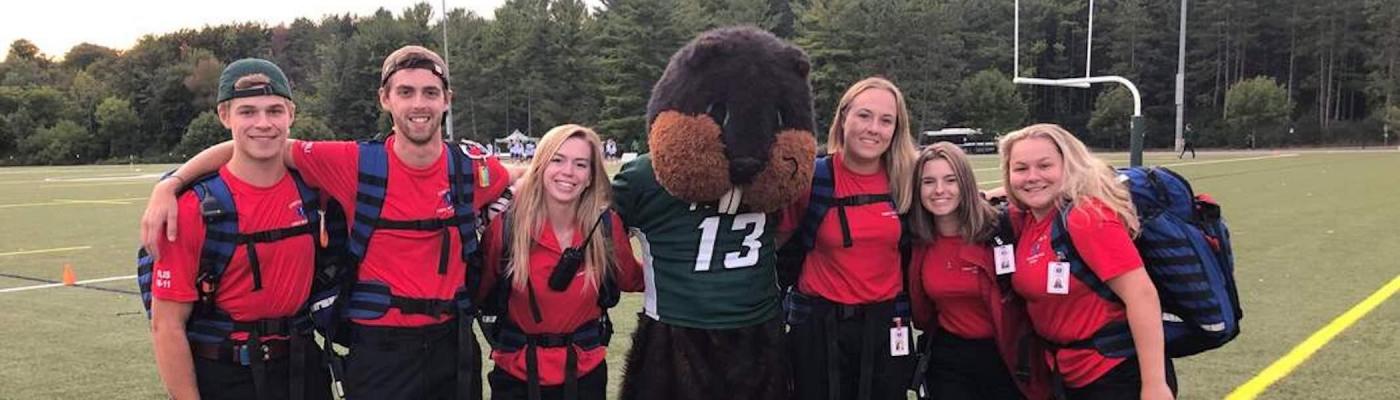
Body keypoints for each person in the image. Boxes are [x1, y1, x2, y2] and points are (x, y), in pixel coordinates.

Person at [142, 46, 513, 400]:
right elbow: (255, 147)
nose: (419, 103)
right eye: (406, 91)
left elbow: (526, 175)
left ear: (447, 99)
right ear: (385, 98)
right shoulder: (348, 163)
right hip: (372, 351)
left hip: (446, 347)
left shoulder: (471, 171)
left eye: (430, 92)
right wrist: (172, 183)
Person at [148, 58, 331, 400]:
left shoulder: (313, 186)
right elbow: (166, 326)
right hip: (225, 375)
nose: (263, 123)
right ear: (224, 116)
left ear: (291, 115)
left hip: (304, 368)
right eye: (247, 112)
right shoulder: (190, 209)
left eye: (274, 111)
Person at [999, 124, 1175, 400]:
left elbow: (1142, 296)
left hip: (1115, 375)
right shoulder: (1031, 219)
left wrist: (1154, 385)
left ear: (1069, 166)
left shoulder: (1086, 218)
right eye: (1021, 169)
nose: (1032, 177)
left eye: (1045, 165)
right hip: (1069, 375)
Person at [477, 124, 643, 400]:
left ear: (591, 176)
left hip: (585, 374)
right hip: (516, 374)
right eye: (558, 159)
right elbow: (479, 291)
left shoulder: (605, 228)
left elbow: (634, 278)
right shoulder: (507, 228)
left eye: (581, 164)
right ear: (541, 165)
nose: (568, 172)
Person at [778, 77, 918, 400]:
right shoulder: (814, 178)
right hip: (818, 329)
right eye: (864, 116)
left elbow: (959, 207)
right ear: (844, 118)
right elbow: (775, 244)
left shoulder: (906, 181)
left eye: (886, 121)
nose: (874, 128)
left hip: (886, 330)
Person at [905, 142, 1049, 400]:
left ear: (966, 184)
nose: (939, 190)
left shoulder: (1002, 227)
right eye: (928, 182)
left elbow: (1039, 195)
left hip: (1008, 357)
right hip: (949, 359)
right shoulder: (915, 240)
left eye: (950, 180)